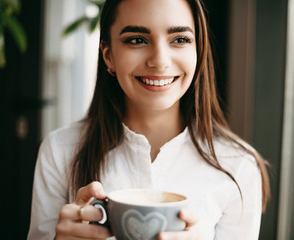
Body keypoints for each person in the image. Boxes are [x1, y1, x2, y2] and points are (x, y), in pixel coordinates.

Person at [27, 0, 270, 239]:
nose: (160, 60)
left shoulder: (239, 168)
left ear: (198, 51)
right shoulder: (59, 151)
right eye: (137, 40)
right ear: (108, 55)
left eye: (180, 40)